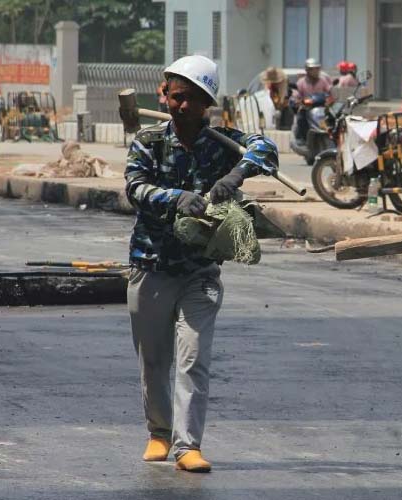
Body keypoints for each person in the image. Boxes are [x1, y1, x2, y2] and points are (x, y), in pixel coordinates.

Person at [124, 55, 279, 473]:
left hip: (200, 272)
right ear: (164, 95)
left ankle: (187, 445)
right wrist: (177, 198)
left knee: (193, 359)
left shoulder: (222, 143)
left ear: (207, 103)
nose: (183, 106)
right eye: (177, 97)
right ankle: (159, 432)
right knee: (154, 360)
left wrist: (237, 174)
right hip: (151, 266)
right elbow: (135, 188)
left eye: (193, 99)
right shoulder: (149, 142)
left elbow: (266, 149)